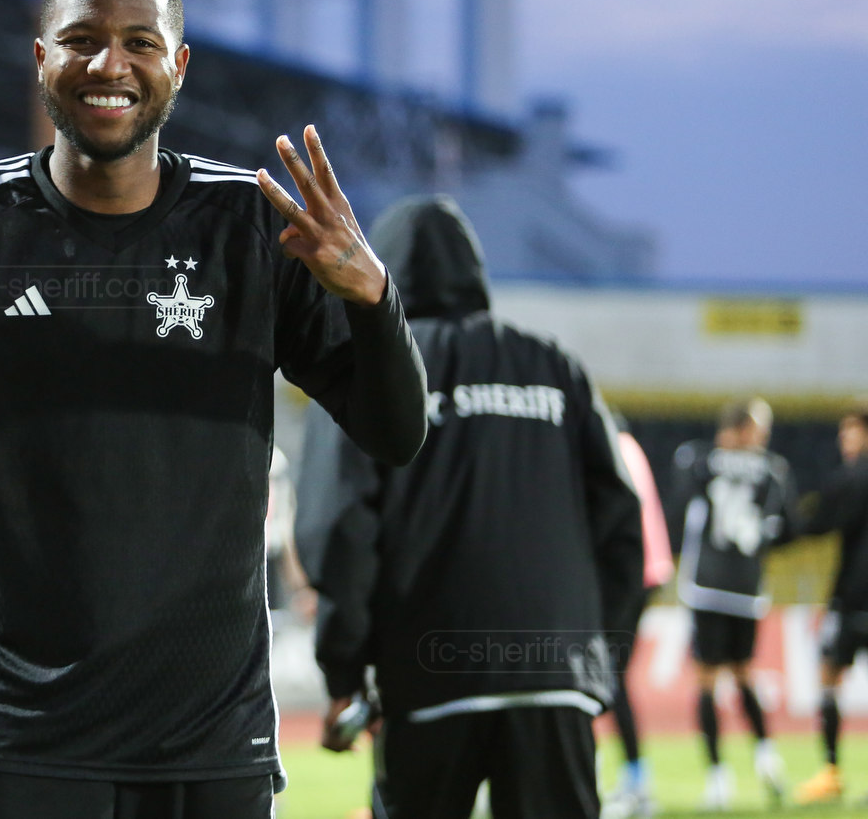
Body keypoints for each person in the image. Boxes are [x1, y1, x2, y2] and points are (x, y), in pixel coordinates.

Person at [0, 0, 428, 819]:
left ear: (179, 64)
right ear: (41, 57)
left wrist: (375, 299)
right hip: (17, 742)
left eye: (140, 42)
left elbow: (396, 432)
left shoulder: (254, 229)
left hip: (209, 747)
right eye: (82, 39)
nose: (109, 65)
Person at [294, 194, 643, 819]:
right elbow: (620, 522)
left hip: (428, 677)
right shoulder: (555, 366)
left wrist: (344, 675)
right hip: (554, 678)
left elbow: (340, 527)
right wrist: (596, 653)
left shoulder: (368, 367)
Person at [673, 397, 794, 808]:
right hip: (746, 590)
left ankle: (718, 777)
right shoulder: (773, 469)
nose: (764, 437)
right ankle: (766, 756)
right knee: (744, 674)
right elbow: (787, 529)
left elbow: (680, 504)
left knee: (707, 681)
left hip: (706, 586)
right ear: (742, 427)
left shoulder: (699, 460)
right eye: (759, 428)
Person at [601, 420, 676, 819]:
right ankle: (633, 778)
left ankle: (634, 781)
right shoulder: (630, 446)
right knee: (610, 677)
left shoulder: (611, 446)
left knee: (605, 677)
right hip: (646, 571)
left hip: (628, 574)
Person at [794, 404, 868, 805]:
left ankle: (831, 771)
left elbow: (819, 522)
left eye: (849, 432)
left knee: (829, 675)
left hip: (855, 598)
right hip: (854, 596)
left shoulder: (853, 477)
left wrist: (781, 525)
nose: (843, 440)